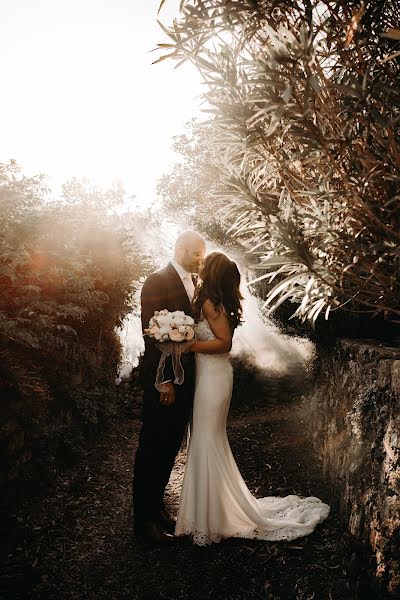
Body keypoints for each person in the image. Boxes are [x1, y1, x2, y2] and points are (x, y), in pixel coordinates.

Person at [175, 251, 330, 545]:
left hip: (214, 378)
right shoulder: (212, 301)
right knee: (206, 439)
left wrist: (190, 346)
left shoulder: (210, 303)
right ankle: (208, 512)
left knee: (207, 439)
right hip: (210, 377)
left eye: (205, 266)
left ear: (212, 274)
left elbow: (224, 344)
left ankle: (208, 517)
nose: (201, 268)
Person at [133, 230, 206, 544]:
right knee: (152, 447)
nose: (199, 260)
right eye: (195, 254)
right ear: (179, 248)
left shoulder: (195, 283)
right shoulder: (157, 280)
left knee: (170, 446)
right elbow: (151, 334)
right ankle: (142, 521)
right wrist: (163, 381)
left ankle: (157, 508)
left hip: (187, 379)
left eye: (202, 255)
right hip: (164, 380)